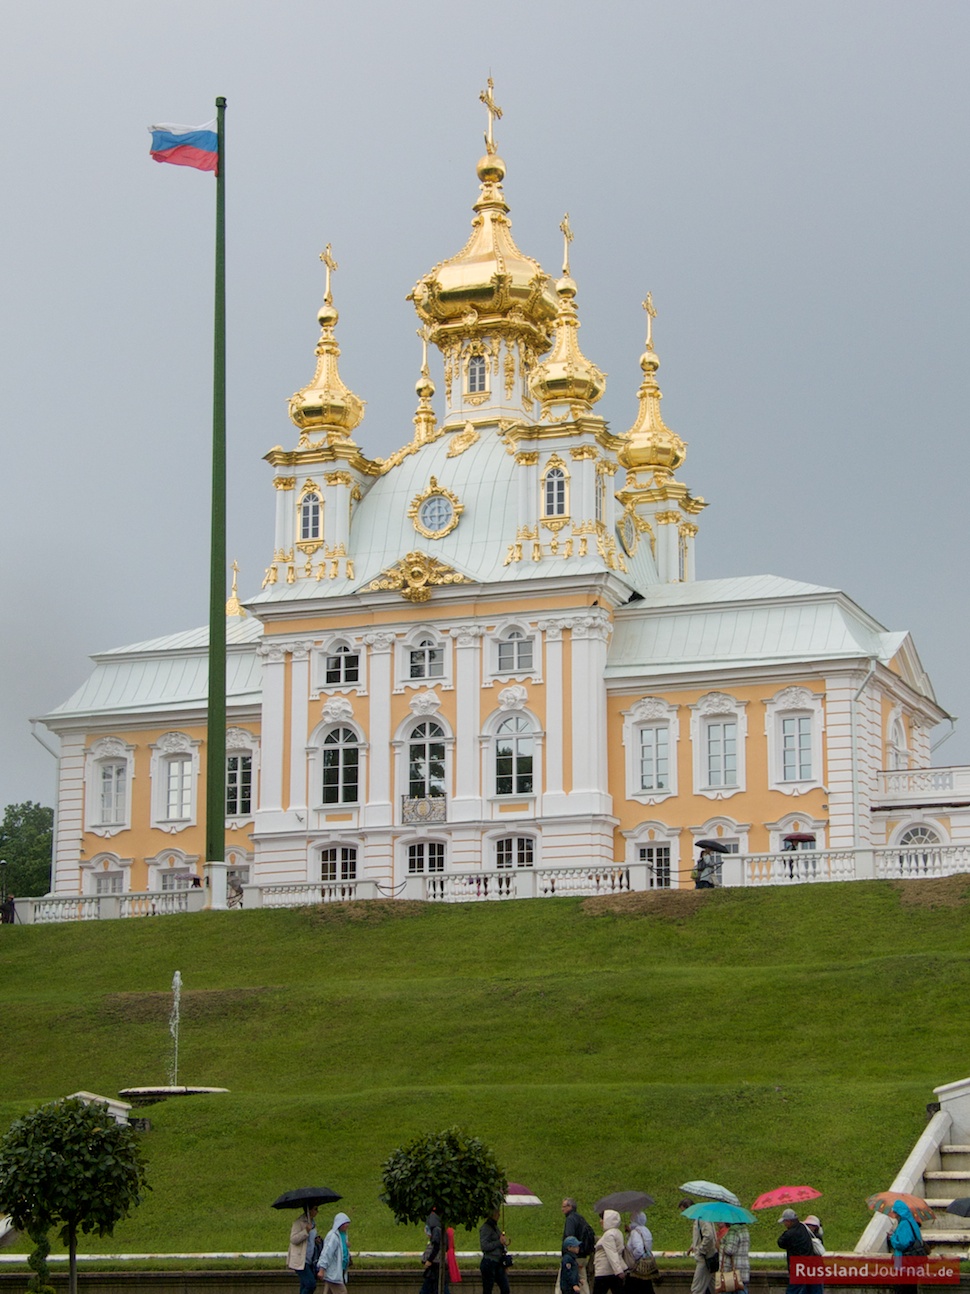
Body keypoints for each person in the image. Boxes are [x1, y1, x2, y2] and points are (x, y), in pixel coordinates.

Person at [777, 1208, 819, 1294]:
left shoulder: (789, 1234)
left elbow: (780, 1243)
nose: (784, 1224)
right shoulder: (803, 1227)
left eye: (785, 1222)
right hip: (810, 1265)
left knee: (793, 1290)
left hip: (797, 1267)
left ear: (789, 1221)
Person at [680, 1198, 717, 1294]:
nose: (686, 1215)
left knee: (696, 1289)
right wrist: (694, 1246)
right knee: (715, 1288)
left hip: (705, 1259)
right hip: (709, 1257)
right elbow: (703, 1236)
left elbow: (709, 1236)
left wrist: (700, 1250)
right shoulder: (701, 1218)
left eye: (684, 1211)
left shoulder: (701, 1218)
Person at [561, 1199, 594, 1294]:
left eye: (564, 1206)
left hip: (575, 1256)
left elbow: (569, 1237)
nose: (562, 1209)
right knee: (583, 1281)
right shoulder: (580, 1218)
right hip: (583, 1255)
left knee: (565, 1280)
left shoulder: (570, 1219)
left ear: (570, 1207)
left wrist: (567, 1253)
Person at [592, 1209, 627, 1294]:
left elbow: (612, 1253)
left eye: (602, 1219)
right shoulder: (618, 1232)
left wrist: (618, 1271)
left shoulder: (608, 1235)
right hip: (613, 1271)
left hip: (604, 1271)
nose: (600, 1221)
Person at [288, 1205, 320, 1294]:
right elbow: (293, 1239)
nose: (317, 1211)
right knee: (310, 1284)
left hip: (310, 1259)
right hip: (300, 1260)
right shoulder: (299, 1222)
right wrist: (305, 1231)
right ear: (308, 1210)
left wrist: (316, 1239)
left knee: (304, 1285)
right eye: (315, 1209)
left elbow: (309, 1240)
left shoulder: (312, 1222)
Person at [317, 1210, 351, 1294]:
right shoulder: (333, 1237)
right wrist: (322, 1268)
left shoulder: (343, 1235)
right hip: (333, 1272)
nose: (347, 1225)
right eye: (344, 1223)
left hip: (338, 1271)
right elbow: (327, 1253)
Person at [624, 1211, 656, 1294]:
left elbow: (639, 1249)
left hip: (637, 1267)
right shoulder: (646, 1230)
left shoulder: (635, 1232)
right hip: (646, 1266)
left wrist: (632, 1258)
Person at [480, 1207, 510, 1294]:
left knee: (505, 1289)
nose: (499, 1214)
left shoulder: (495, 1227)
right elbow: (484, 1246)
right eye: (497, 1212)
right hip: (489, 1262)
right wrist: (499, 1242)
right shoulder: (486, 1228)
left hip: (498, 1262)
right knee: (488, 1289)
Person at [719, 1224, 750, 1294]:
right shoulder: (744, 1229)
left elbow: (730, 1250)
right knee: (743, 1290)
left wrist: (721, 1245)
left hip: (732, 1272)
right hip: (743, 1270)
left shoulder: (733, 1230)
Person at [421, 1209, 444, 1294]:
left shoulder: (435, 1230)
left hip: (434, 1266)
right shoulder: (438, 1229)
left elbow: (436, 1247)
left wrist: (429, 1260)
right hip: (435, 1265)